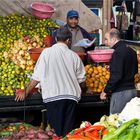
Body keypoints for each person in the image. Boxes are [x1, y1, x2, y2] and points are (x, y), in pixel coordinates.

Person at [15, 27, 86, 137]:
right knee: (68, 133)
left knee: (55, 133)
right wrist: (82, 90)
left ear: (56, 38)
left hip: (53, 98)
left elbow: (37, 77)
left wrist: (26, 92)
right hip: (71, 98)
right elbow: (82, 80)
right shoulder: (74, 56)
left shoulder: (46, 53)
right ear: (68, 40)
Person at [100, 28, 138, 114]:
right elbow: (135, 71)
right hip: (132, 91)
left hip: (121, 93)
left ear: (114, 39)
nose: (105, 42)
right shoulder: (132, 51)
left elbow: (117, 76)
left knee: (117, 121)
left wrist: (105, 91)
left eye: (106, 39)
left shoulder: (117, 52)